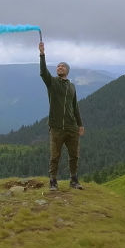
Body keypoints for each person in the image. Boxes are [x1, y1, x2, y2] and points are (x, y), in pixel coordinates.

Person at [39, 41, 85, 191]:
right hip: (57, 127)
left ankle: (74, 179)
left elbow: (75, 106)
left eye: (62, 66)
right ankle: (53, 181)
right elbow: (43, 73)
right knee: (55, 156)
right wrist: (42, 54)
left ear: (67, 71)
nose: (59, 67)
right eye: (58, 66)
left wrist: (80, 124)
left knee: (74, 155)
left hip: (72, 127)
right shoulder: (52, 83)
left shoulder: (71, 87)